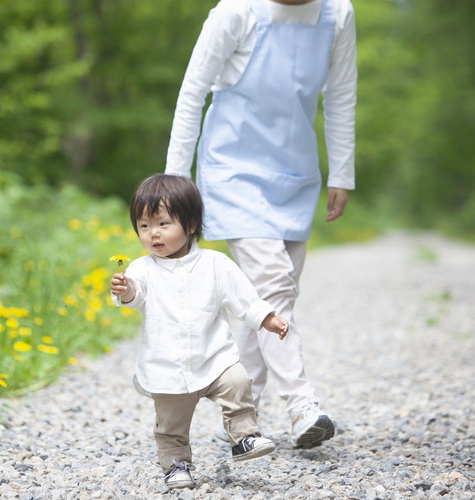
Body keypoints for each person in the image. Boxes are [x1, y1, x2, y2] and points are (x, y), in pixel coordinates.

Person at [164, 0, 357, 449]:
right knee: (272, 284)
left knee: (269, 300)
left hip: (295, 174)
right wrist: (176, 182)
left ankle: (241, 417)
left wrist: (342, 172)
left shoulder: (338, 14)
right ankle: (302, 405)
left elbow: (342, 92)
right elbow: (193, 90)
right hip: (233, 169)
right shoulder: (237, 12)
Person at [110, 173, 289, 490]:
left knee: (237, 381)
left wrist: (267, 319)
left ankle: (245, 437)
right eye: (144, 226)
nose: (153, 234)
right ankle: (176, 464)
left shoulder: (216, 264)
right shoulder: (141, 268)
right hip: (166, 364)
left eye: (164, 224)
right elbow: (135, 297)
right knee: (170, 423)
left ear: (191, 225)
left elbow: (243, 299)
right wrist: (125, 290)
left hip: (213, 356)